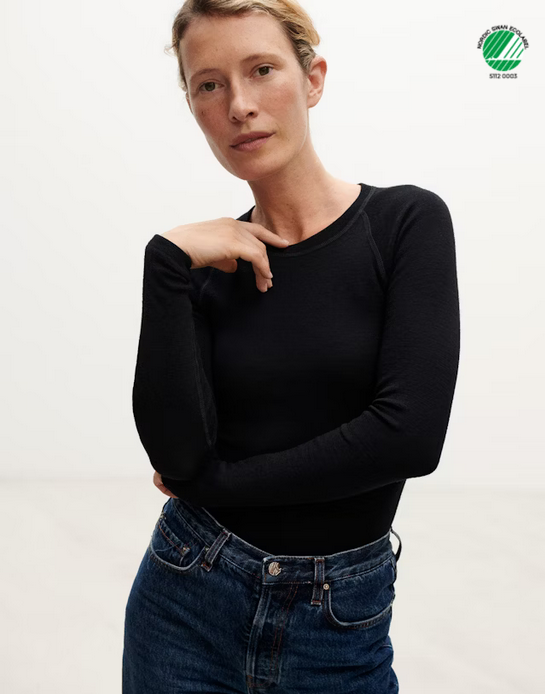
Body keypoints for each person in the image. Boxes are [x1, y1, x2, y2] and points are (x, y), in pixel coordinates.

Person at [122, 1, 461, 692]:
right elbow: (177, 458)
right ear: (193, 106)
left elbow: (408, 437)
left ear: (313, 79)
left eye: (262, 69)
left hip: (337, 623)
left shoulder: (404, 223)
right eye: (209, 84)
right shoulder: (204, 267)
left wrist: (217, 486)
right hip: (185, 599)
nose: (239, 105)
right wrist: (165, 265)